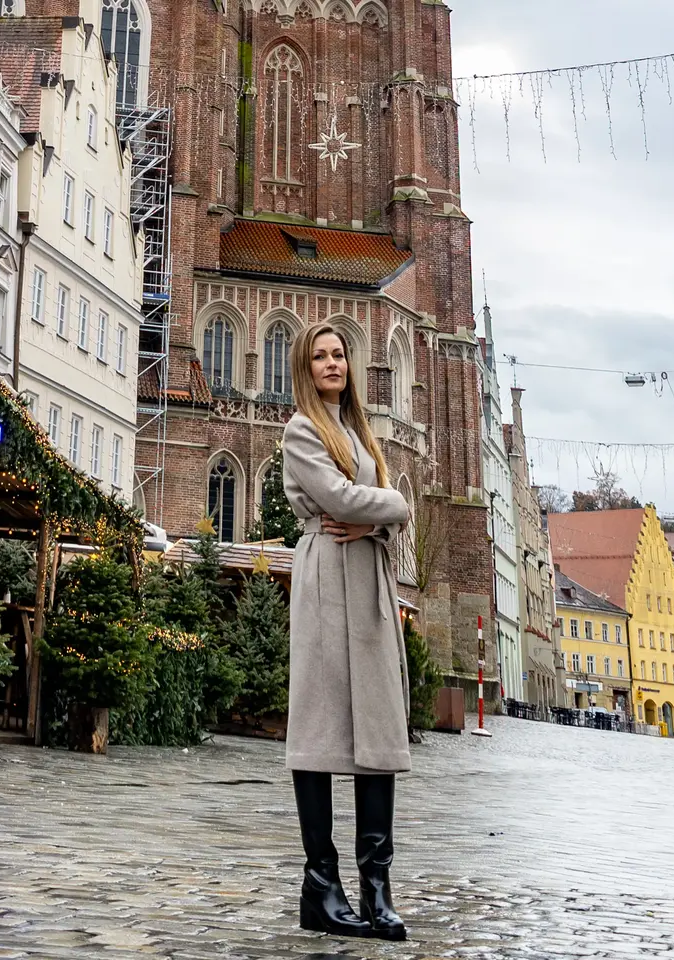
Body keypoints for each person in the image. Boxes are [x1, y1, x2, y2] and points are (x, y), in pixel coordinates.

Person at [282, 323, 412, 941]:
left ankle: (376, 888)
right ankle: (321, 885)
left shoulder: (360, 432)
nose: (332, 363)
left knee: (377, 732)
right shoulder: (302, 430)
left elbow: (365, 507)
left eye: (339, 354)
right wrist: (393, 508)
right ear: (305, 367)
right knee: (318, 727)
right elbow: (339, 497)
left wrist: (376, 523)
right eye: (320, 356)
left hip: (368, 580)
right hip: (326, 579)